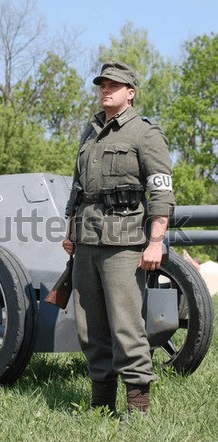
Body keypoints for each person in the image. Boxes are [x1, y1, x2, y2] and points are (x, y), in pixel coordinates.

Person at [62, 61, 175, 416]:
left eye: (115, 84)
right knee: (89, 327)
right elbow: (78, 187)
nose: (106, 89)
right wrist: (70, 230)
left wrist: (155, 241)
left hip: (124, 243)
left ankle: (138, 408)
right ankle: (101, 406)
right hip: (86, 241)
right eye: (102, 84)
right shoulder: (90, 132)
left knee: (127, 326)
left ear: (130, 92)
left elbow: (161, 192)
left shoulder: (144, 133)